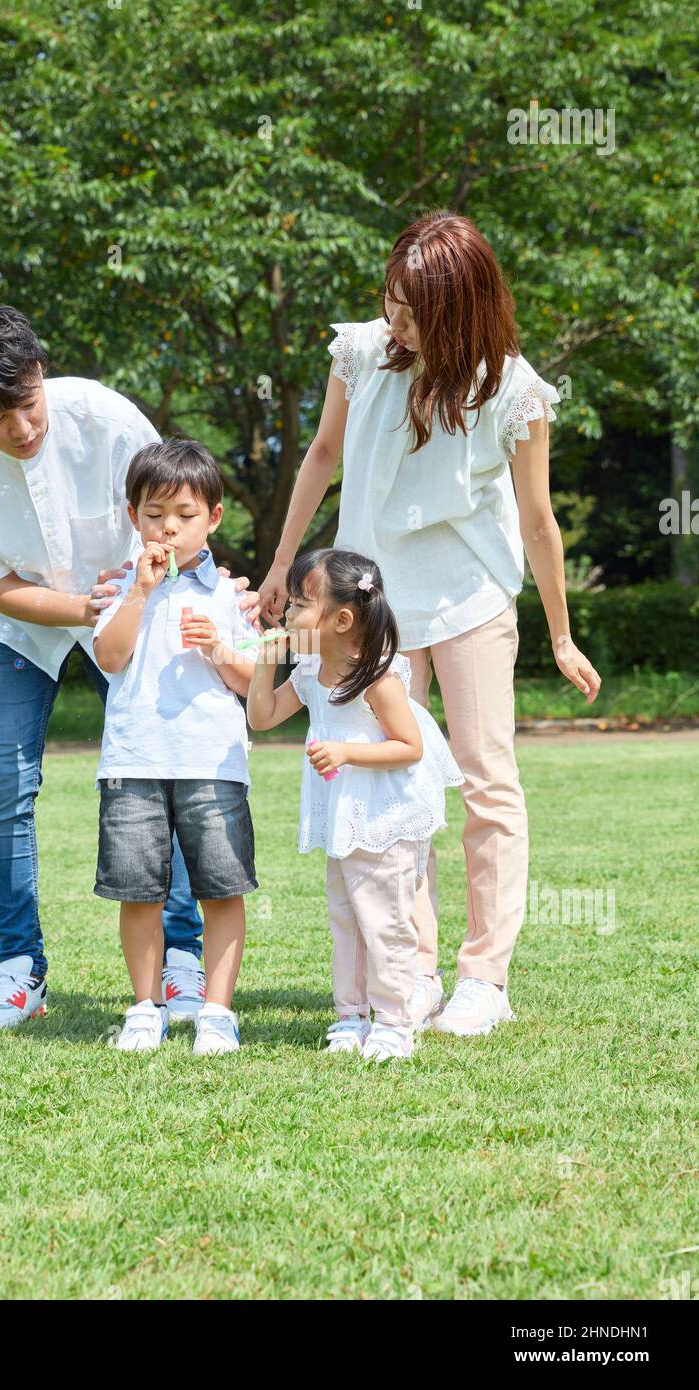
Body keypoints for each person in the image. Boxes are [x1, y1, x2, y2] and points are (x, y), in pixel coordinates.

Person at [259, 211, 601, 1037]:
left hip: (470, 598)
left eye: (414, 310)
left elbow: (536, 519)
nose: (396, 320)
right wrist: (280, 564)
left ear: (460, 308)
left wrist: (558, 633)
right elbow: (322, 455)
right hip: (372, 605)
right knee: (389, 785)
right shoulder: (360, 352)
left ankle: (485, 978)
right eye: (392, 299)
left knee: (485, 779)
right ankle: (408, 976)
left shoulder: (512, 389)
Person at [0, 303, 261, 1031]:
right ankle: (19, 968)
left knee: (163, 765)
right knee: (3, 783)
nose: (22, 428)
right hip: (26, 626)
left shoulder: (106, 416)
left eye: (28, 403)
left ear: (40, 370)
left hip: (143, 616)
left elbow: (175, 510)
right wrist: (88, 610)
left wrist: (218, 590)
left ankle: (180, 961)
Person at [248, 548, 464, 1062]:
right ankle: (351, 1015)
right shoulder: (310, 671)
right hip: (347, 819)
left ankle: (394, 1021)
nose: (288, 615)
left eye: (300, 604)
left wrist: (346, 751)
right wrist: (263, 666)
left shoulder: (378, 680)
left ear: (342, 619)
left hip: (386, 817)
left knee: (385, 921)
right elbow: (262, 716)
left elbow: (408, 747)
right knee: (346, 916)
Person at [92, 438, 260, 1056]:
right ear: (133, 517)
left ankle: (217, 1012)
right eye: (154, 513)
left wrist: (219, 647)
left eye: (185, 515)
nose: (169, 528)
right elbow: (110, 658)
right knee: (139, 891)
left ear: (213, 518)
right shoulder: (117, 587)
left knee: (221, 888)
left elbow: (255, 688)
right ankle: (144, 1008)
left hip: (213, 763)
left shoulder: (232, 596)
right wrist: (139, 592)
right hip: (133, 762)